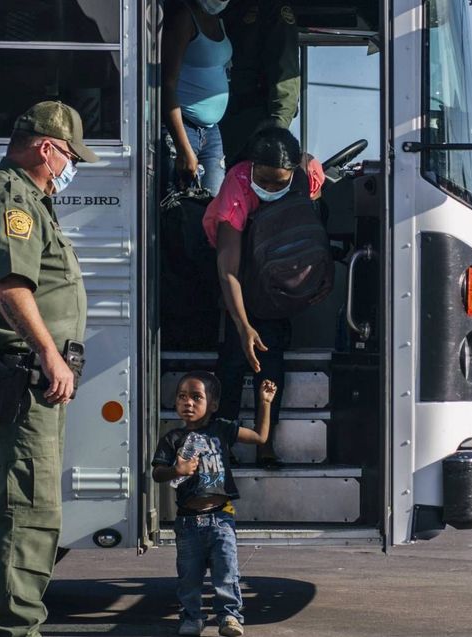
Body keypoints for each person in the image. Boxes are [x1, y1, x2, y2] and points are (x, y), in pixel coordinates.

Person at [0, 100, 98, 637]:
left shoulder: (28, 199)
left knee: (16, 511)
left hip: (23, 378)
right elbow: (10, 287)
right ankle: (13, 629)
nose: (69, 168)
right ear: (45, 147)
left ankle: (0, 626)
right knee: (26, 512)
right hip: (20, 377)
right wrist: (49, 354)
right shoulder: (11, 198)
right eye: (68, 156)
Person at [203, 125, 315, 464]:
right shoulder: (236, 189)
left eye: (279, 182)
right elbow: (228, 269)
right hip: (240, 278)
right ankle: (223, 443)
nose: (269, 188)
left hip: (277, 280)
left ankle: (266, 441)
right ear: (251, 168)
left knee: (273, 362)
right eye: (262, 180)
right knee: (233, 364)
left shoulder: (305, 177)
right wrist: (242, 324)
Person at [153, 371, 278, 637]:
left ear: (213, 405)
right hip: (187, 521)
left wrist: (265, 402)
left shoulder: (222, 428)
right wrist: (178, 469)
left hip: (222, 518)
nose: (188, 402)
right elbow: (157, 473)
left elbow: (260, 437)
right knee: (189, 576)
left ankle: (230, 617)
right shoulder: (172, 438)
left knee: (227, 572)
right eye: (182, 397)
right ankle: (192, 618)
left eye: (196, 397)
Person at [161, 0, 234, 196]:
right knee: (180, 205)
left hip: (211, 131)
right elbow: (166, 84)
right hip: (183, 127)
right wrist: (182, 147)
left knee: (213, 206)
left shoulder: (217, 19)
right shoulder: (184, 18)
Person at [219, 1, 301, 165]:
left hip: (253, 123)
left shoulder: (271, 9)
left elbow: (285, 72)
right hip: (218, 118)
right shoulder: (222, 7)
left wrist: (277, 129)